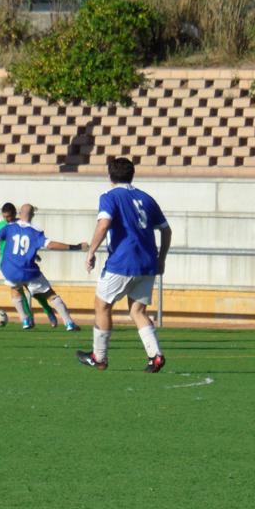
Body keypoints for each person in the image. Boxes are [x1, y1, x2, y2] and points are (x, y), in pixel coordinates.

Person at [77, 157, 172, 373]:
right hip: (147, 262)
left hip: (123, 261)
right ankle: (155, 355)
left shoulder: (109, 196)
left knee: (102, 305)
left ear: (110, 175)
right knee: (138, 311)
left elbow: (104, 224)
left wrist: (91, 251)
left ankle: (99, 357)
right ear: (132, 175)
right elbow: (166, 230)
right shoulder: (146, 198)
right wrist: (161, 259)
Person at [0, 204, 86, 332]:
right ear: (32, 215)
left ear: (19, 213)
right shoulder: (35, 231)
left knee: (15, 289)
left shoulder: (8, 227)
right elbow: (51, 245)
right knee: (50, 294)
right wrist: (75, 247)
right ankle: (69, 323)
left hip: (11, 270)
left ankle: (25, 319)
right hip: (28, 271)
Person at [0, 202, 59, 327]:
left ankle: (48, 310)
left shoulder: (21, 225)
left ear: (15, 214)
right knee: (18, 291)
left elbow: (26, 244)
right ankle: (28, 318)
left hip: (23, 263)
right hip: (8, 264)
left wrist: (33, 255)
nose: (7, 219)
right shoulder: (1, 226)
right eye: (5, 217)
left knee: (35, 292)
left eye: (9, 216)